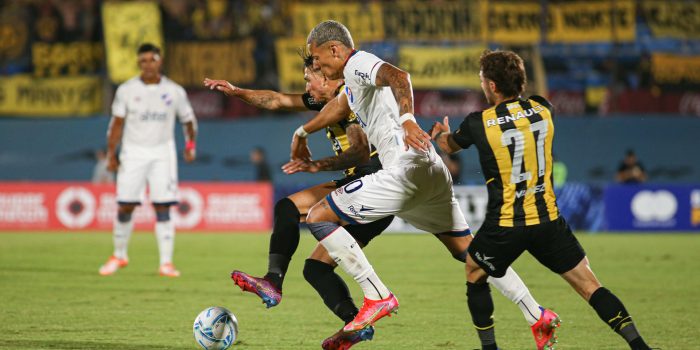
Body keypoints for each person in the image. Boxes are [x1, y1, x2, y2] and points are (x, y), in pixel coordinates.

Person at [299, 20, 557, 348]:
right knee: (471, 253)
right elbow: (339, 104)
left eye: (317, 59)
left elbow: (399, 77)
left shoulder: (357, 63)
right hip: (428, 167)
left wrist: (407, 121)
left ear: (335, 49)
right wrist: (302, 132)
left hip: (405, 169)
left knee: (319, 216)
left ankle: (376, 295)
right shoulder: (351, 84)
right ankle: (537, 315)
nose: (315, 66)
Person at [432, 49, 652, 350]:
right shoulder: (543, 107)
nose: (482, 86)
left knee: (474, 271)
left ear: (492, 86)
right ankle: (640, 346)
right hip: (548, 220)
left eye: (483, 81)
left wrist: (440, 134)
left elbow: (450, 146)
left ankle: (489, 348)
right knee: (590, 285)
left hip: (505, 224)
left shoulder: (478, 122)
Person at [204, 53, 394, 349]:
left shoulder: (350, 99)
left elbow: (359, 151)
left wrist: (316, 165)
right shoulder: (327, 101)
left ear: (327, 77)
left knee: (287, 207)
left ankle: (273, 281)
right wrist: (238, 92)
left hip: (370, 185)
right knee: (315, 269)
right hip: (376, 200)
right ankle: (355, 323)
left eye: (309, 79)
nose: (306, 87)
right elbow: (277, 100)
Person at [99, 43, 197, 278]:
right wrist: (111, 154)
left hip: (163, 154)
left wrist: (190, 145)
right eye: (143, 61)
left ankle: (166, 263)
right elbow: (116, 125)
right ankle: (119, 255)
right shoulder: (126, 90)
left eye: (151, 60)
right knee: (126, 204)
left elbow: (188, 120)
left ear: (159, 61)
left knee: (163, 206)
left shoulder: (174, 91)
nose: (147, 64)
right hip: (133, 154)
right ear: (138, 63)